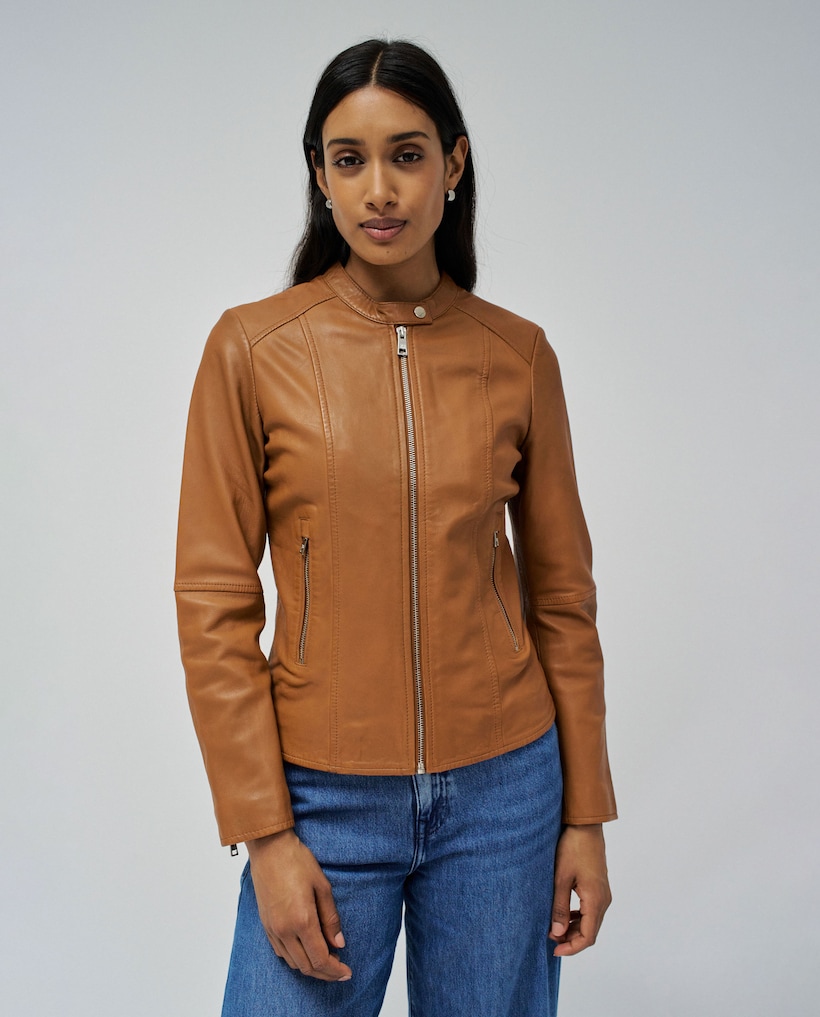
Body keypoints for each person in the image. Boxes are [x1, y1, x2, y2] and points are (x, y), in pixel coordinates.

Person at [175, 38, 617, 1017]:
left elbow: (562, 597)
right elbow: (213, 602)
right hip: (321, 801)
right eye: (350, 159)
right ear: (320, 176)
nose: (379, 189)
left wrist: (584, 813)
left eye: (407, 155)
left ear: (453, 165)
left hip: (506, 796)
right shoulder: (253, 349)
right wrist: (266, 831)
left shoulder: (517, 356)